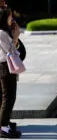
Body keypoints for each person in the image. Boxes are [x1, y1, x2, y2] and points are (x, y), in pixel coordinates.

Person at [0, 7, 21, 138]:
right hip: (5, 67)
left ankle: (5, 124)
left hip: (6, 66)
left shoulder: (4, 32)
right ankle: (3, 128)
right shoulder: (1, 33)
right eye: (9, 16)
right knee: (8, 98)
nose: (11, 19)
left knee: (8, 97)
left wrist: (14, 37)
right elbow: (11, 50)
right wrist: (15, 37)